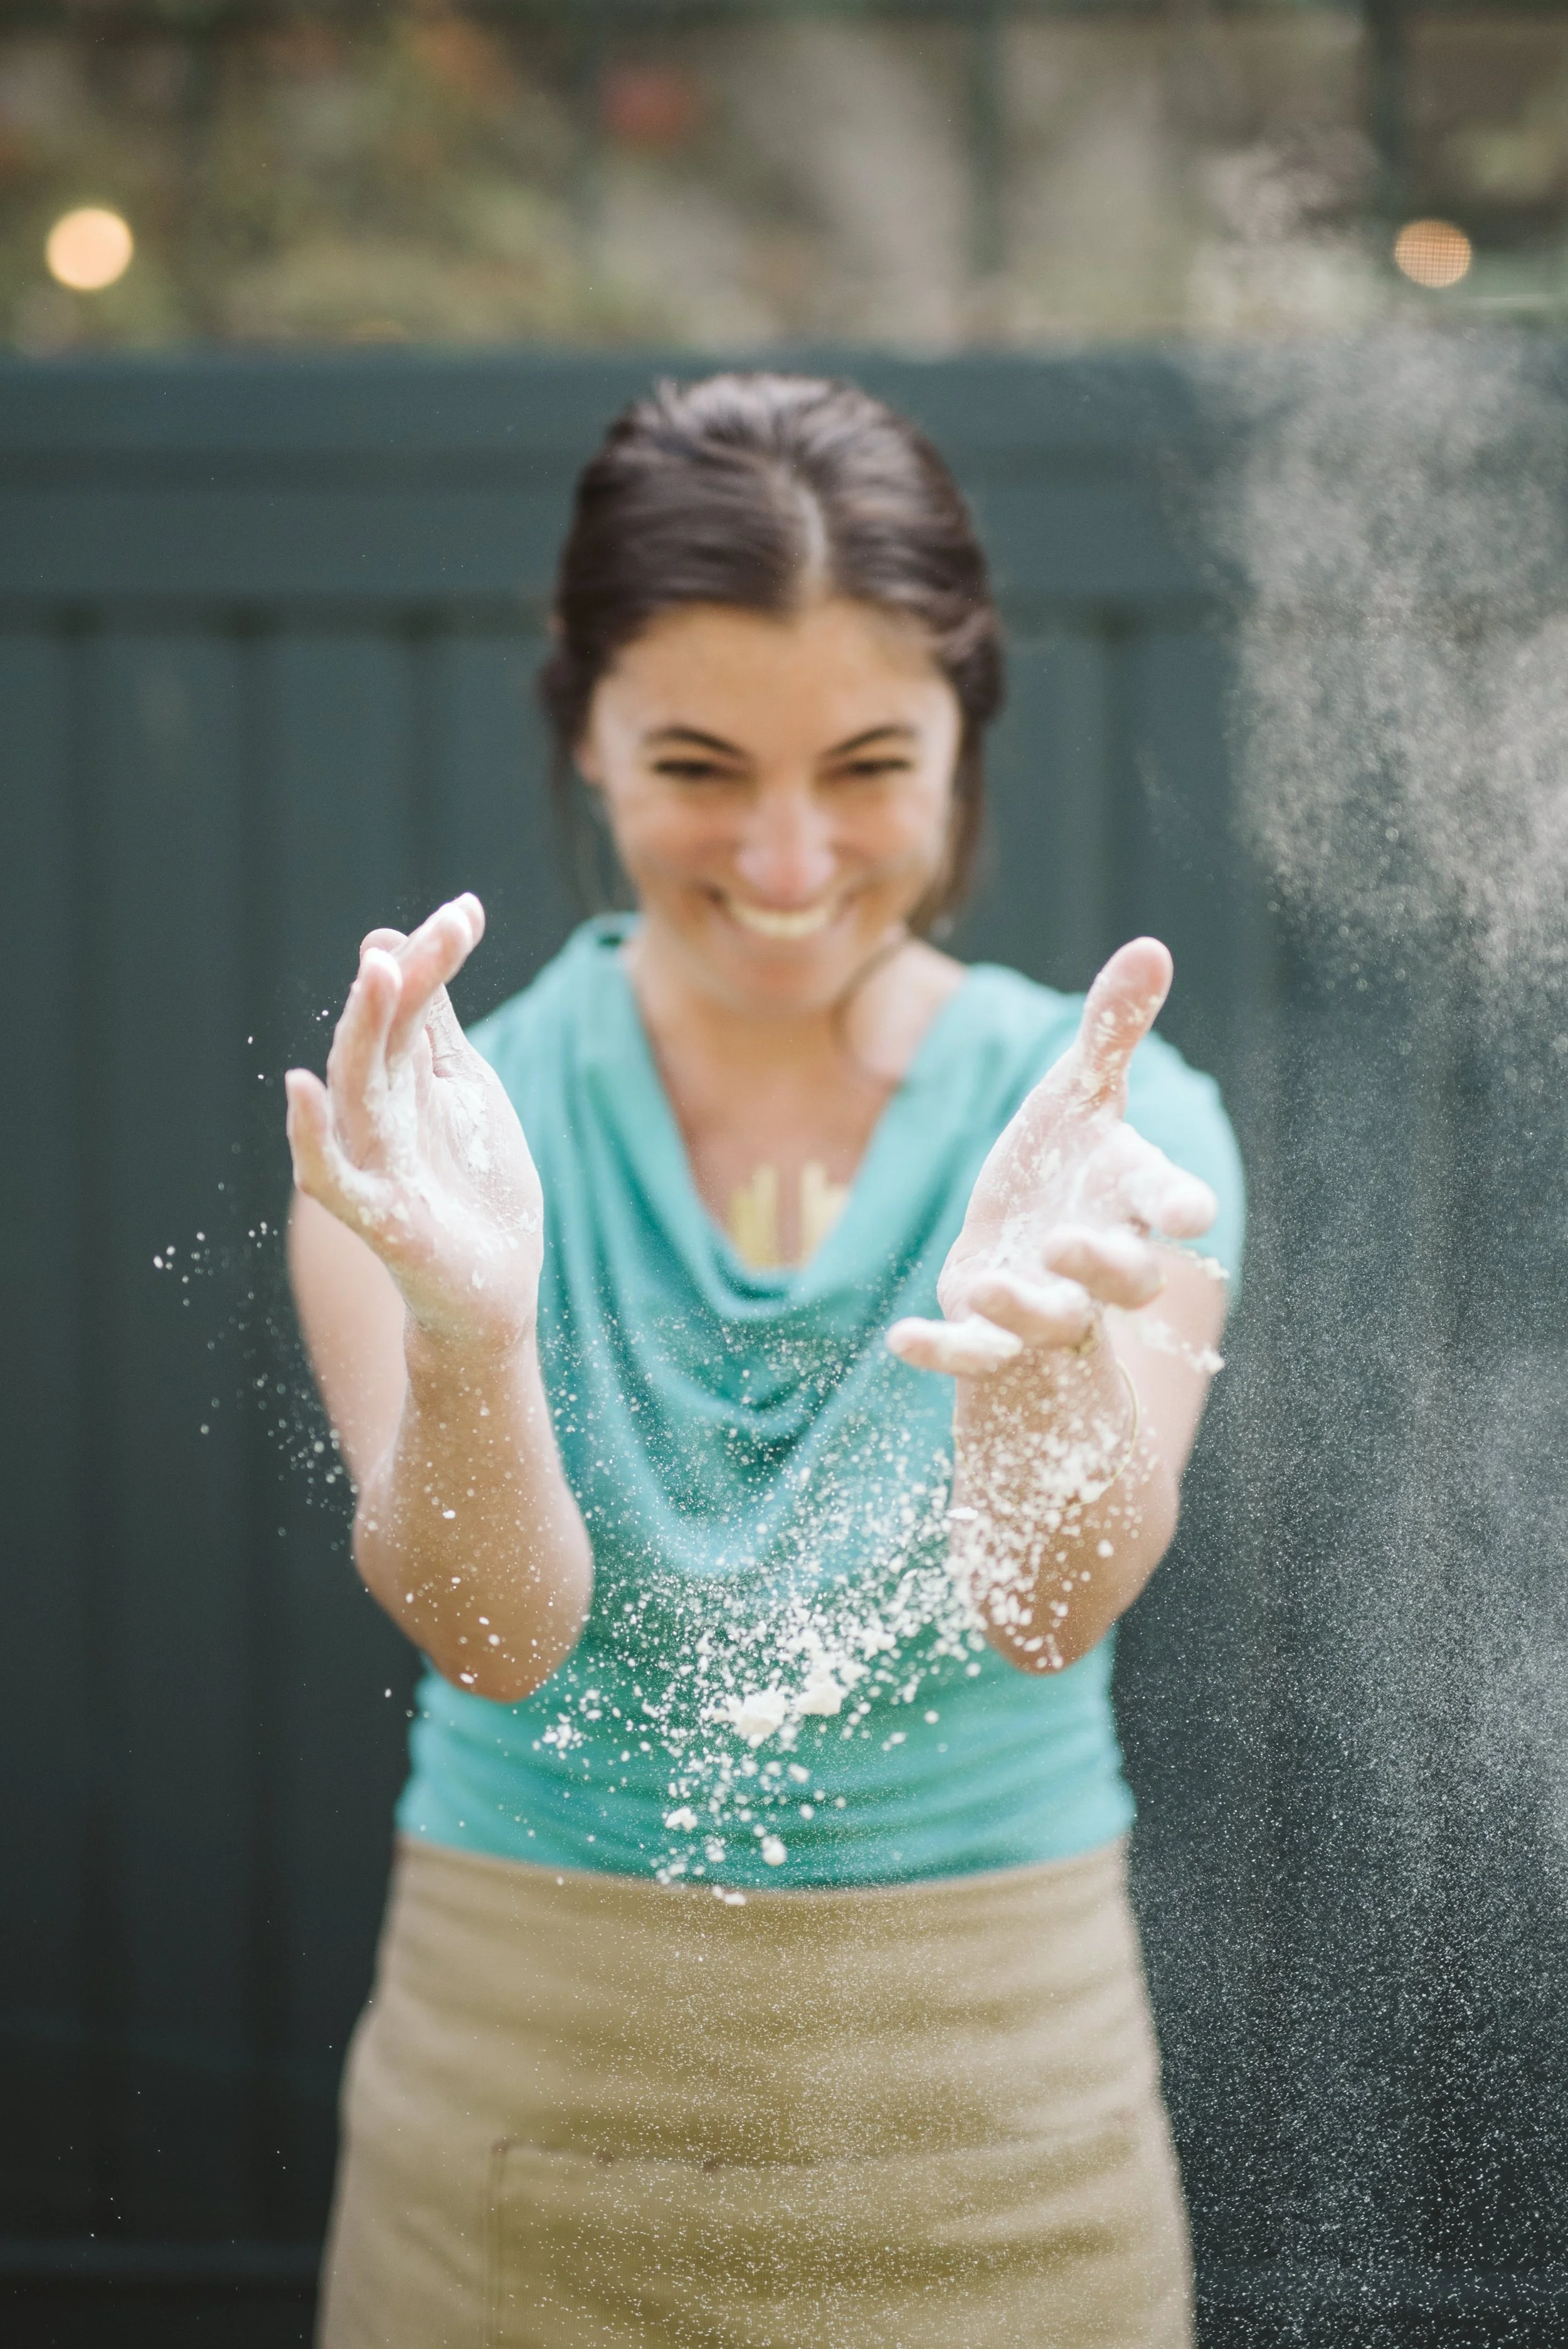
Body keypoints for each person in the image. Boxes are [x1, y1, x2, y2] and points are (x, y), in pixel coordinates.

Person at [286, 372, 1243, 2349]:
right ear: (587, 738)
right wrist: (472, 1336)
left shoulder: (1114, 1143)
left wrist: (1041, 1369)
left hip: (1001, 2105)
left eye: (870, 766)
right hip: (526, 2073)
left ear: (970, 732)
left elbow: (1043, 1607)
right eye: (701, 768)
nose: (790, 863)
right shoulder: (427, 1138)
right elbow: (494, 1636)